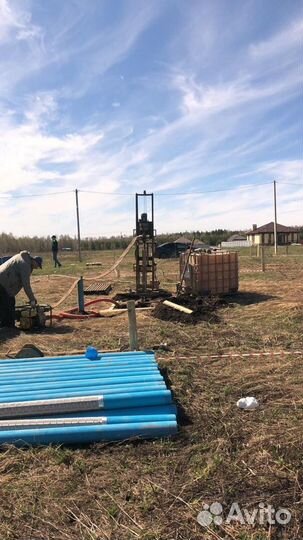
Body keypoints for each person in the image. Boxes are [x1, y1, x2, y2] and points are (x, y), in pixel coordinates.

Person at [0, 251, 42, 328]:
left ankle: (6, 323)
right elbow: (26, 285)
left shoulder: (23, 259)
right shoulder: (25, 265)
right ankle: (7, 325)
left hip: (3, 281)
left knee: (8, 302)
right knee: (7, 303)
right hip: (2, 282)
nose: (37, 267)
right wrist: (32, 299)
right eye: (38, 265)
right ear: (34, 261)